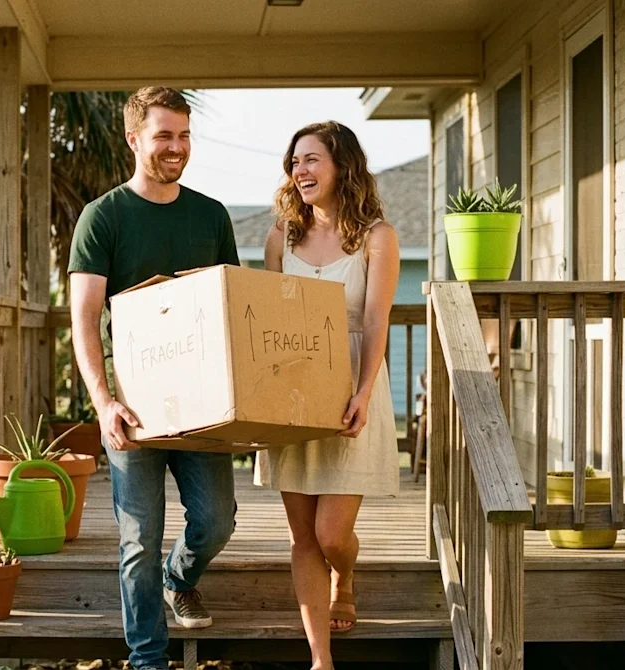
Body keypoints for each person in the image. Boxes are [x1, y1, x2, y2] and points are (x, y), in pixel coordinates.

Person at [67, 86, 239, 670]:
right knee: (137, 540)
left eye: (184, 135)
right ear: (133, 137)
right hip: (135, 408)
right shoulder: (104, 217)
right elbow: (84, 320)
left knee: (217, 519)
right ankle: (148, 658)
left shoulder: (210, 215)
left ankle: (180, 578)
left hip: (203, 408)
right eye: (164, 135)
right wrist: (103, 402)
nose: (177, 147)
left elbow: (228, 307)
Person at [254, 121, 400, 670]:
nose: (301, 171)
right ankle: (321, 659)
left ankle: (347, 572)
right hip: (293, 392)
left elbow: (377, 319)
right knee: (302, 537)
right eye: (295, 162)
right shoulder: (280, 239)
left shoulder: (376, 238)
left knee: (331, 532)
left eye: (312, 159)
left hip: (350, 388)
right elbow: (267, 324)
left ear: (342, 166)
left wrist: (363, 392)